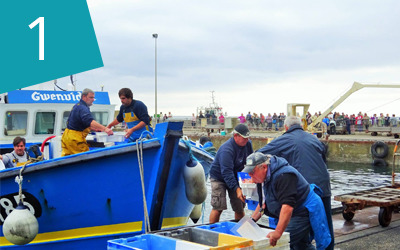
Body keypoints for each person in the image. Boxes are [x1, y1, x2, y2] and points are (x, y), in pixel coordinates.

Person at [257, 116, 334, 250]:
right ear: (302, 125)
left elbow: (258, 155)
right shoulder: (314, 139)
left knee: (297, 230)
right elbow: (323, 158)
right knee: (324, 226)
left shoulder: (283, 139)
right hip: (323, 186)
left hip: (303, 189)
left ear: (286, 128)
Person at [245, 152, 331, 250]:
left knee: (280, 243)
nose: (251, 178)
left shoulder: (284, 175)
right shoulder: (262, 177)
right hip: (290, 209)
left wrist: (277, 233)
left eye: (252, 173)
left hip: (302, 209)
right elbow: (264, 204)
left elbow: (287, 207)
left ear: (264, 167)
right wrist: (251, 222)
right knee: (301, 246)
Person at [209, 124, 253, 223]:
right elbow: (226, 172)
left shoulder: (248, 144)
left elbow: (250, 163)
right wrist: (237, 189)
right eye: (244, 138)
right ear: (236, 136)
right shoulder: (227, 149)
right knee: (218, 206)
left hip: (236, 175)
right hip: (219, 177)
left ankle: (240, 230)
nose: (246, 140)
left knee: (239, 206)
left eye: (248, 138)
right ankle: (212, 230)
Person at [62, 88, 113, 156]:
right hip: (75, 139)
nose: (93, 100)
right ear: (84, 97)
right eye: (91, 97)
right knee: (84, 157)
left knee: (67, 158)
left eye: (93, 98)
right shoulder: (83, 108)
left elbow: (80, 122)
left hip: (67, 136)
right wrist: (105, 129)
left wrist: (94, 129)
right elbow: (89, 121)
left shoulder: (77, 106)